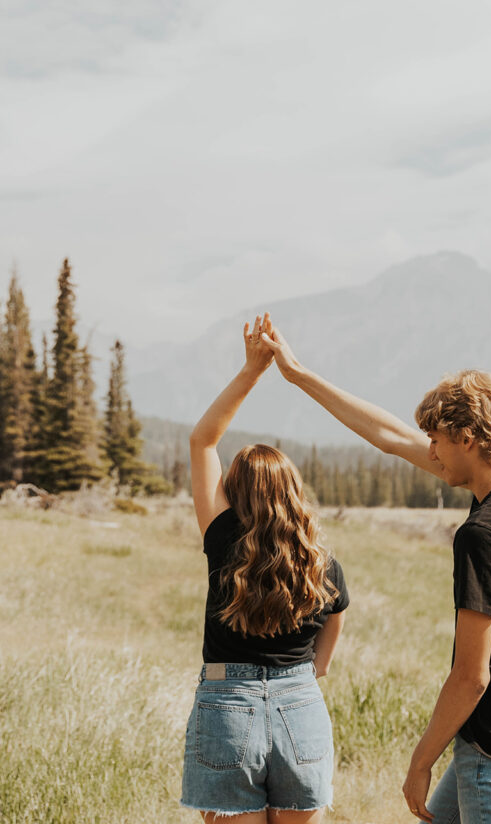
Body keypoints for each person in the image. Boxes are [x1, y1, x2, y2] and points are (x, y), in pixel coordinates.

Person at [261, 323, 491, 824]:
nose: (430, 451)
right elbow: (390, 437)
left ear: (467, 439)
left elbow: (471, 677)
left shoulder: (484, 535)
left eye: (437, 440)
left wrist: (420, 763)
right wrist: (297, 375)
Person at [181, 314, 349, 824]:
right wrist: (311, 671)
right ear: (293, 493)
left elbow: (202, 441)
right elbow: (335, 620)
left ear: (233, 493)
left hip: (226, 705)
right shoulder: (321, 561)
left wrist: (253, 369)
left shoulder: (225, 540)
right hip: (300, 704)